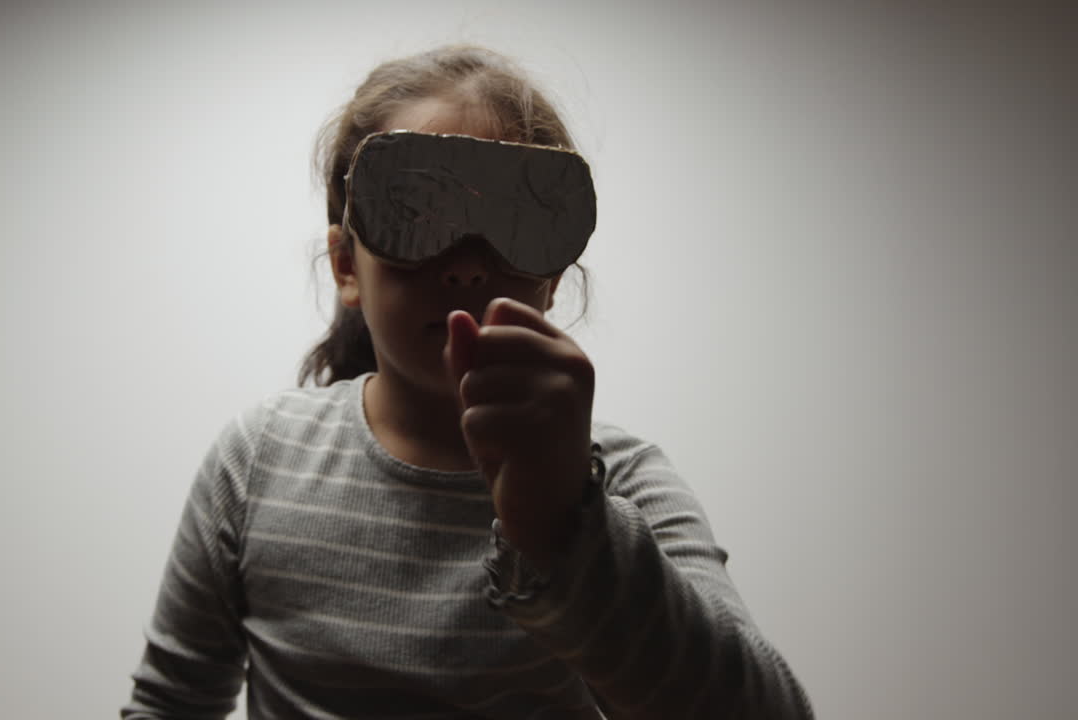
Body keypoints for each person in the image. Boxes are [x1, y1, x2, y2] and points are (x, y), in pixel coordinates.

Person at [122, 44, 814, 719]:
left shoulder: (621, 480)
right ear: (345, 266)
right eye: (416, 215)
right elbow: (169, 704)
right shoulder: (259, 458)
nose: (463, 268)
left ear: (553, 276)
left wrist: (567, 527)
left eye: (512, 224)